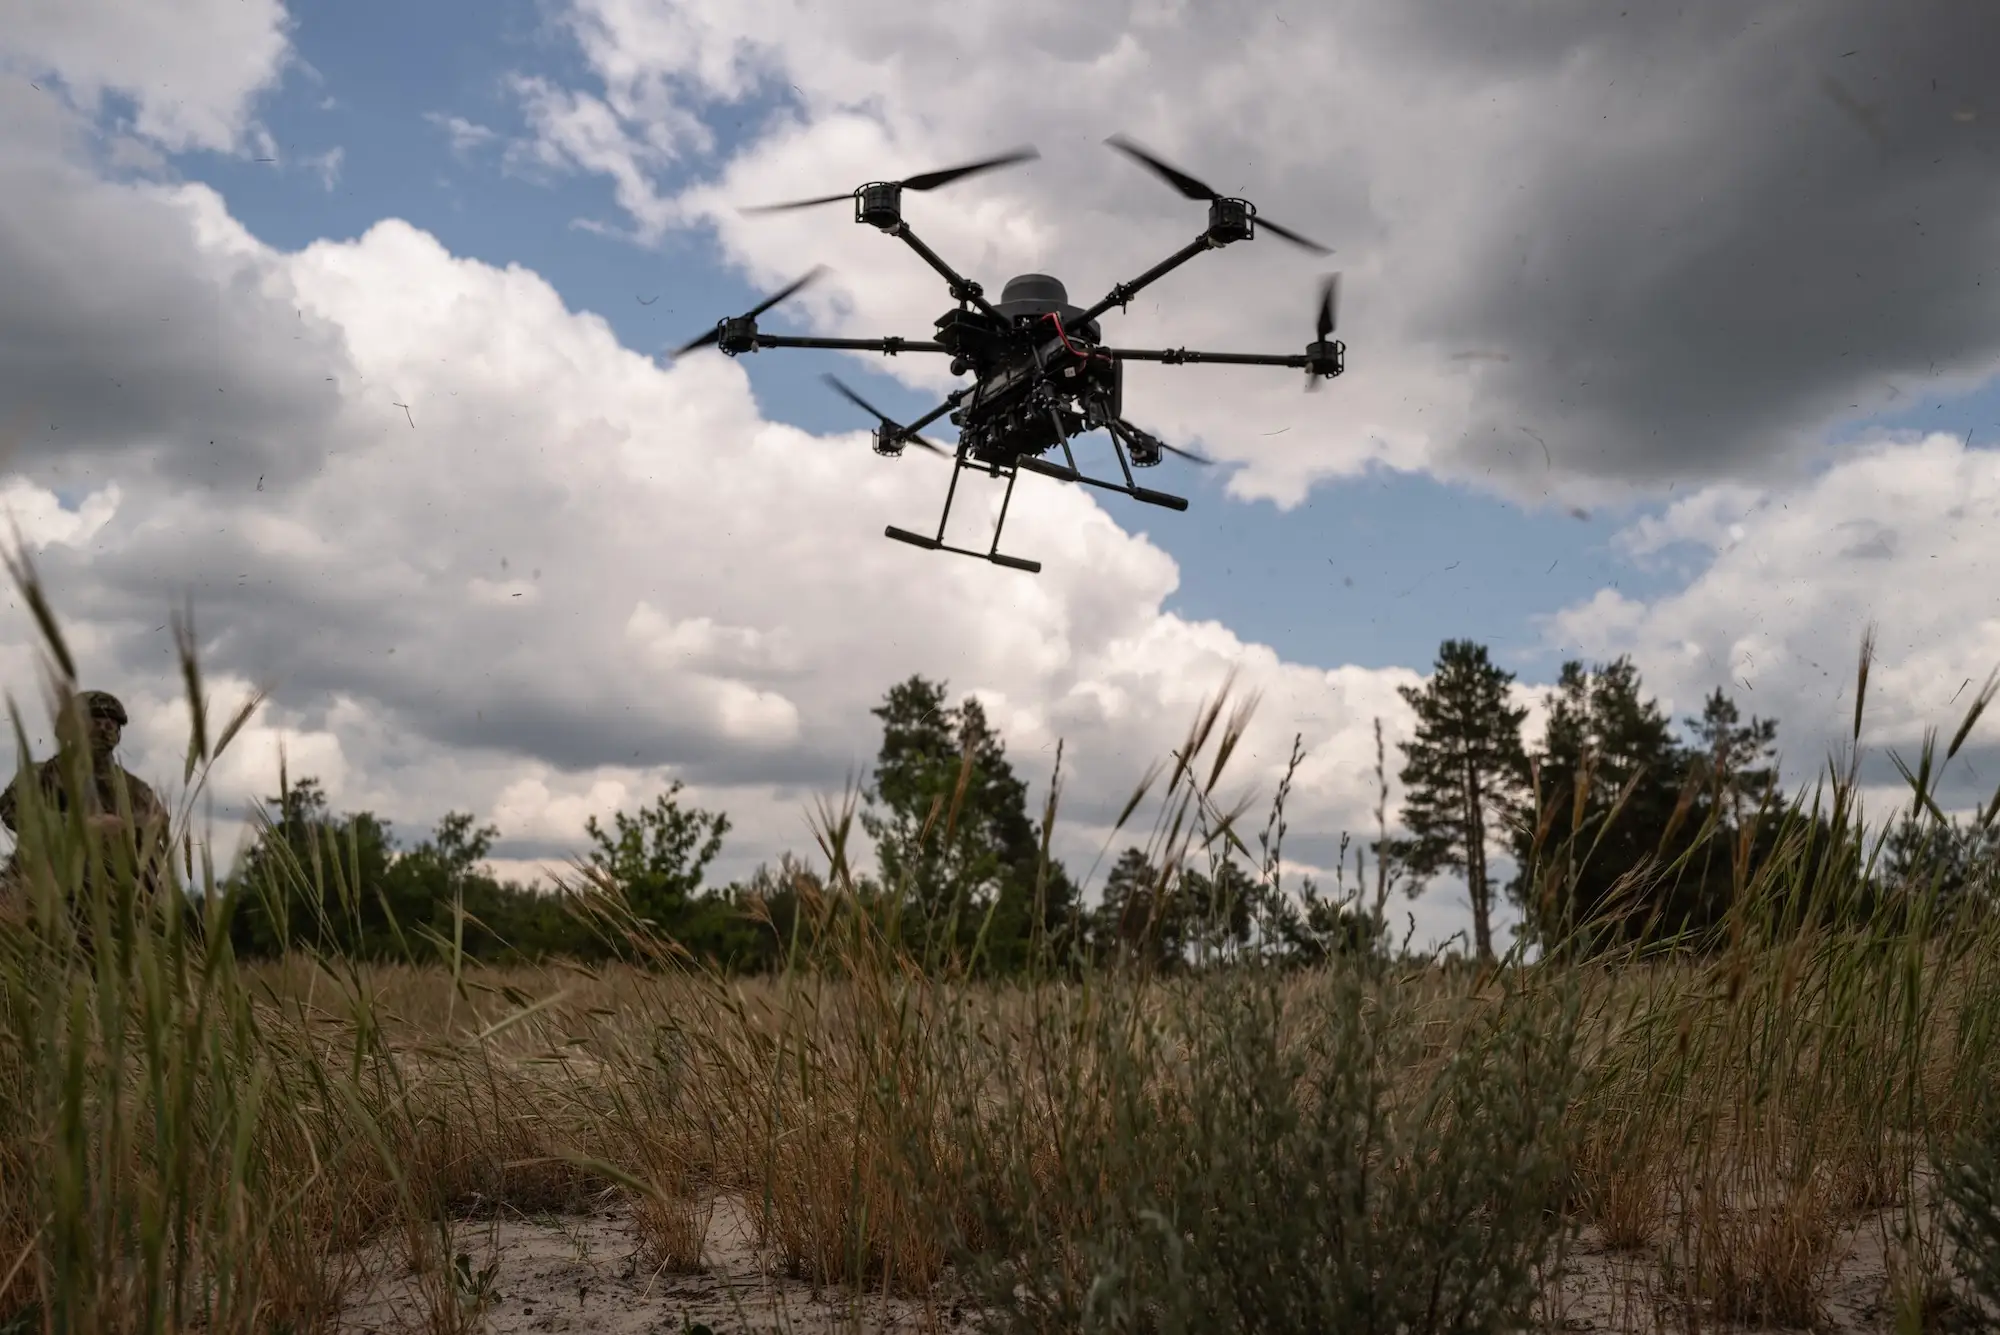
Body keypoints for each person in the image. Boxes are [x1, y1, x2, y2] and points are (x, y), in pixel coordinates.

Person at [0, 689, 172, 927]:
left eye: (112, 723)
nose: (105, 728)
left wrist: (128, 829)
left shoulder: (135, 789)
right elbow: (14, 813)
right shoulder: (40, 775)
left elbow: (158, 828)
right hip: (43, 899)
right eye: (95, 721)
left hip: (115, 906)